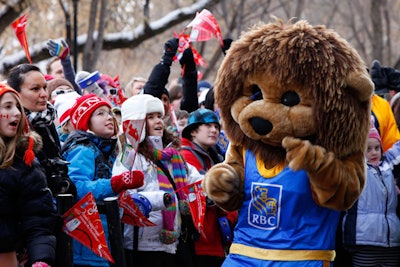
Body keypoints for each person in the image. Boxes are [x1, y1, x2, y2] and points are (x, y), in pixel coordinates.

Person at [61, 94, 144, 267]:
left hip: (106, 237)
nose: (109, 117)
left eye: (109, 113)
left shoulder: (110, 149)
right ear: (86, 122)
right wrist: (117, 183)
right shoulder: (82, 148)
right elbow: (77, 187)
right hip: (86, 240)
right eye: (100, 113)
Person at [115, 93, 190, 267]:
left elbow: (192, 181)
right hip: (141, 243)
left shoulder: (172, 155)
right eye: (150, 117)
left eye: (159, 116)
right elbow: (125, 196)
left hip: (171, 242)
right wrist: (160, 199)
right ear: (136, 122)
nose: (158, 121)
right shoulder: (129, 157)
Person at [0, 83, 57, 267]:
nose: (17, 113)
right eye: (8, 107)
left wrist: (41, 259)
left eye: (17, 107)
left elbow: (38, 220)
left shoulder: (26, 163)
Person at [6, 63, 76, 198]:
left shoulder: (47, 119)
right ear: (16, 94)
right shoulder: (12, 127)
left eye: (45, 87)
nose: (44, 94)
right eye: (35, 89)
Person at [180, 108, 236, 267]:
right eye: (208, 125)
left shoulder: (216, 157)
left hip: (214, 238)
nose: (214, 130)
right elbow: (208, 193)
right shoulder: (185, 156)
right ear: (193, 131)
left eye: (217, 127)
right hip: (198, 240)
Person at [341, 125, 400, 267]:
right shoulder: (355, 170)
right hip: (364, 240)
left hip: (391, 241)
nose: (374, 152)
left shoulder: (386, 165)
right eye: (367, 149)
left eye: (377, 148)